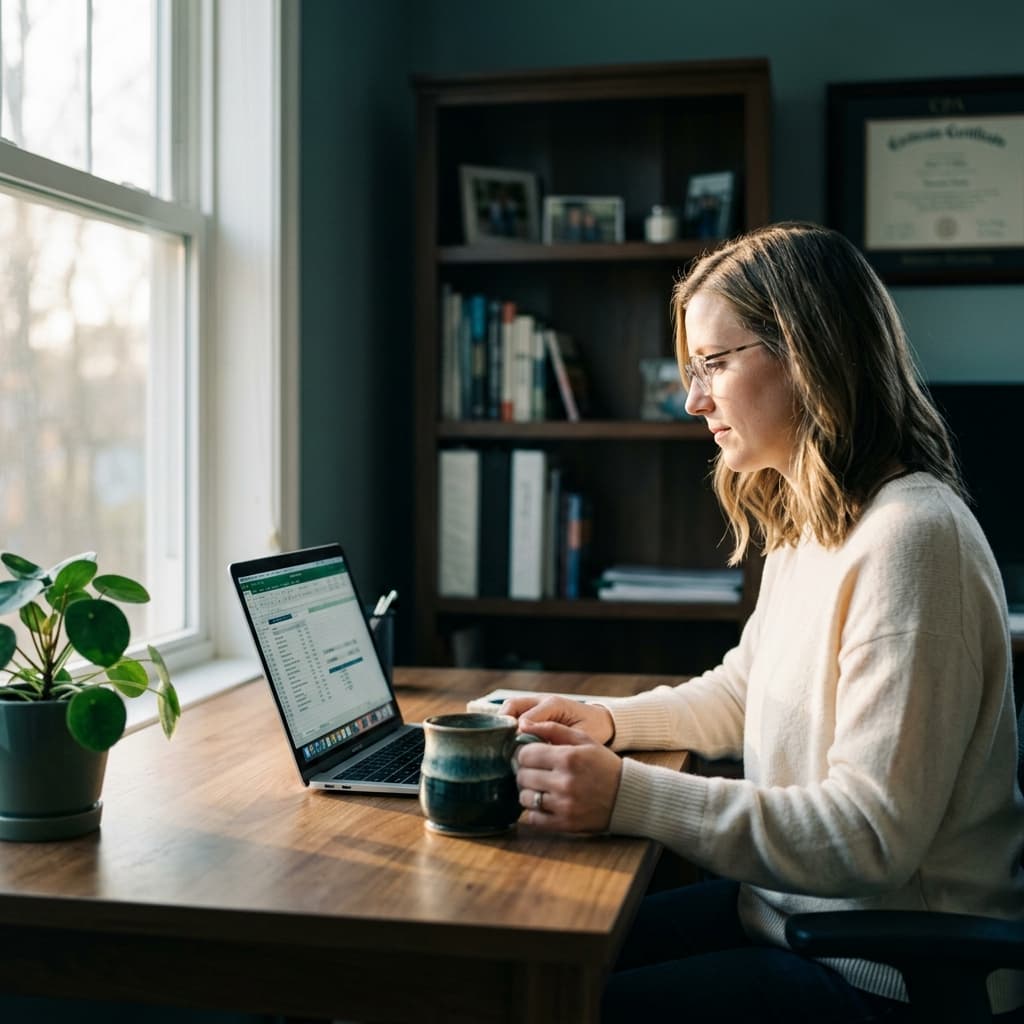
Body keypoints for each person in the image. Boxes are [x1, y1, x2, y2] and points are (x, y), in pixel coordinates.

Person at [503, 222, 1024, 1022]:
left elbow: (870, 835)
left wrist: (628, 797)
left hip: (893, 973)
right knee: (537, 959)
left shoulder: (912, 540)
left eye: (714, 364)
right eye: (692, 368)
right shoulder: (816, 520)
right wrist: (608, 722)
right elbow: (748, 692)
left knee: (555, 1003)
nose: (693, 398)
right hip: (799, 921)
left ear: (808, 353)